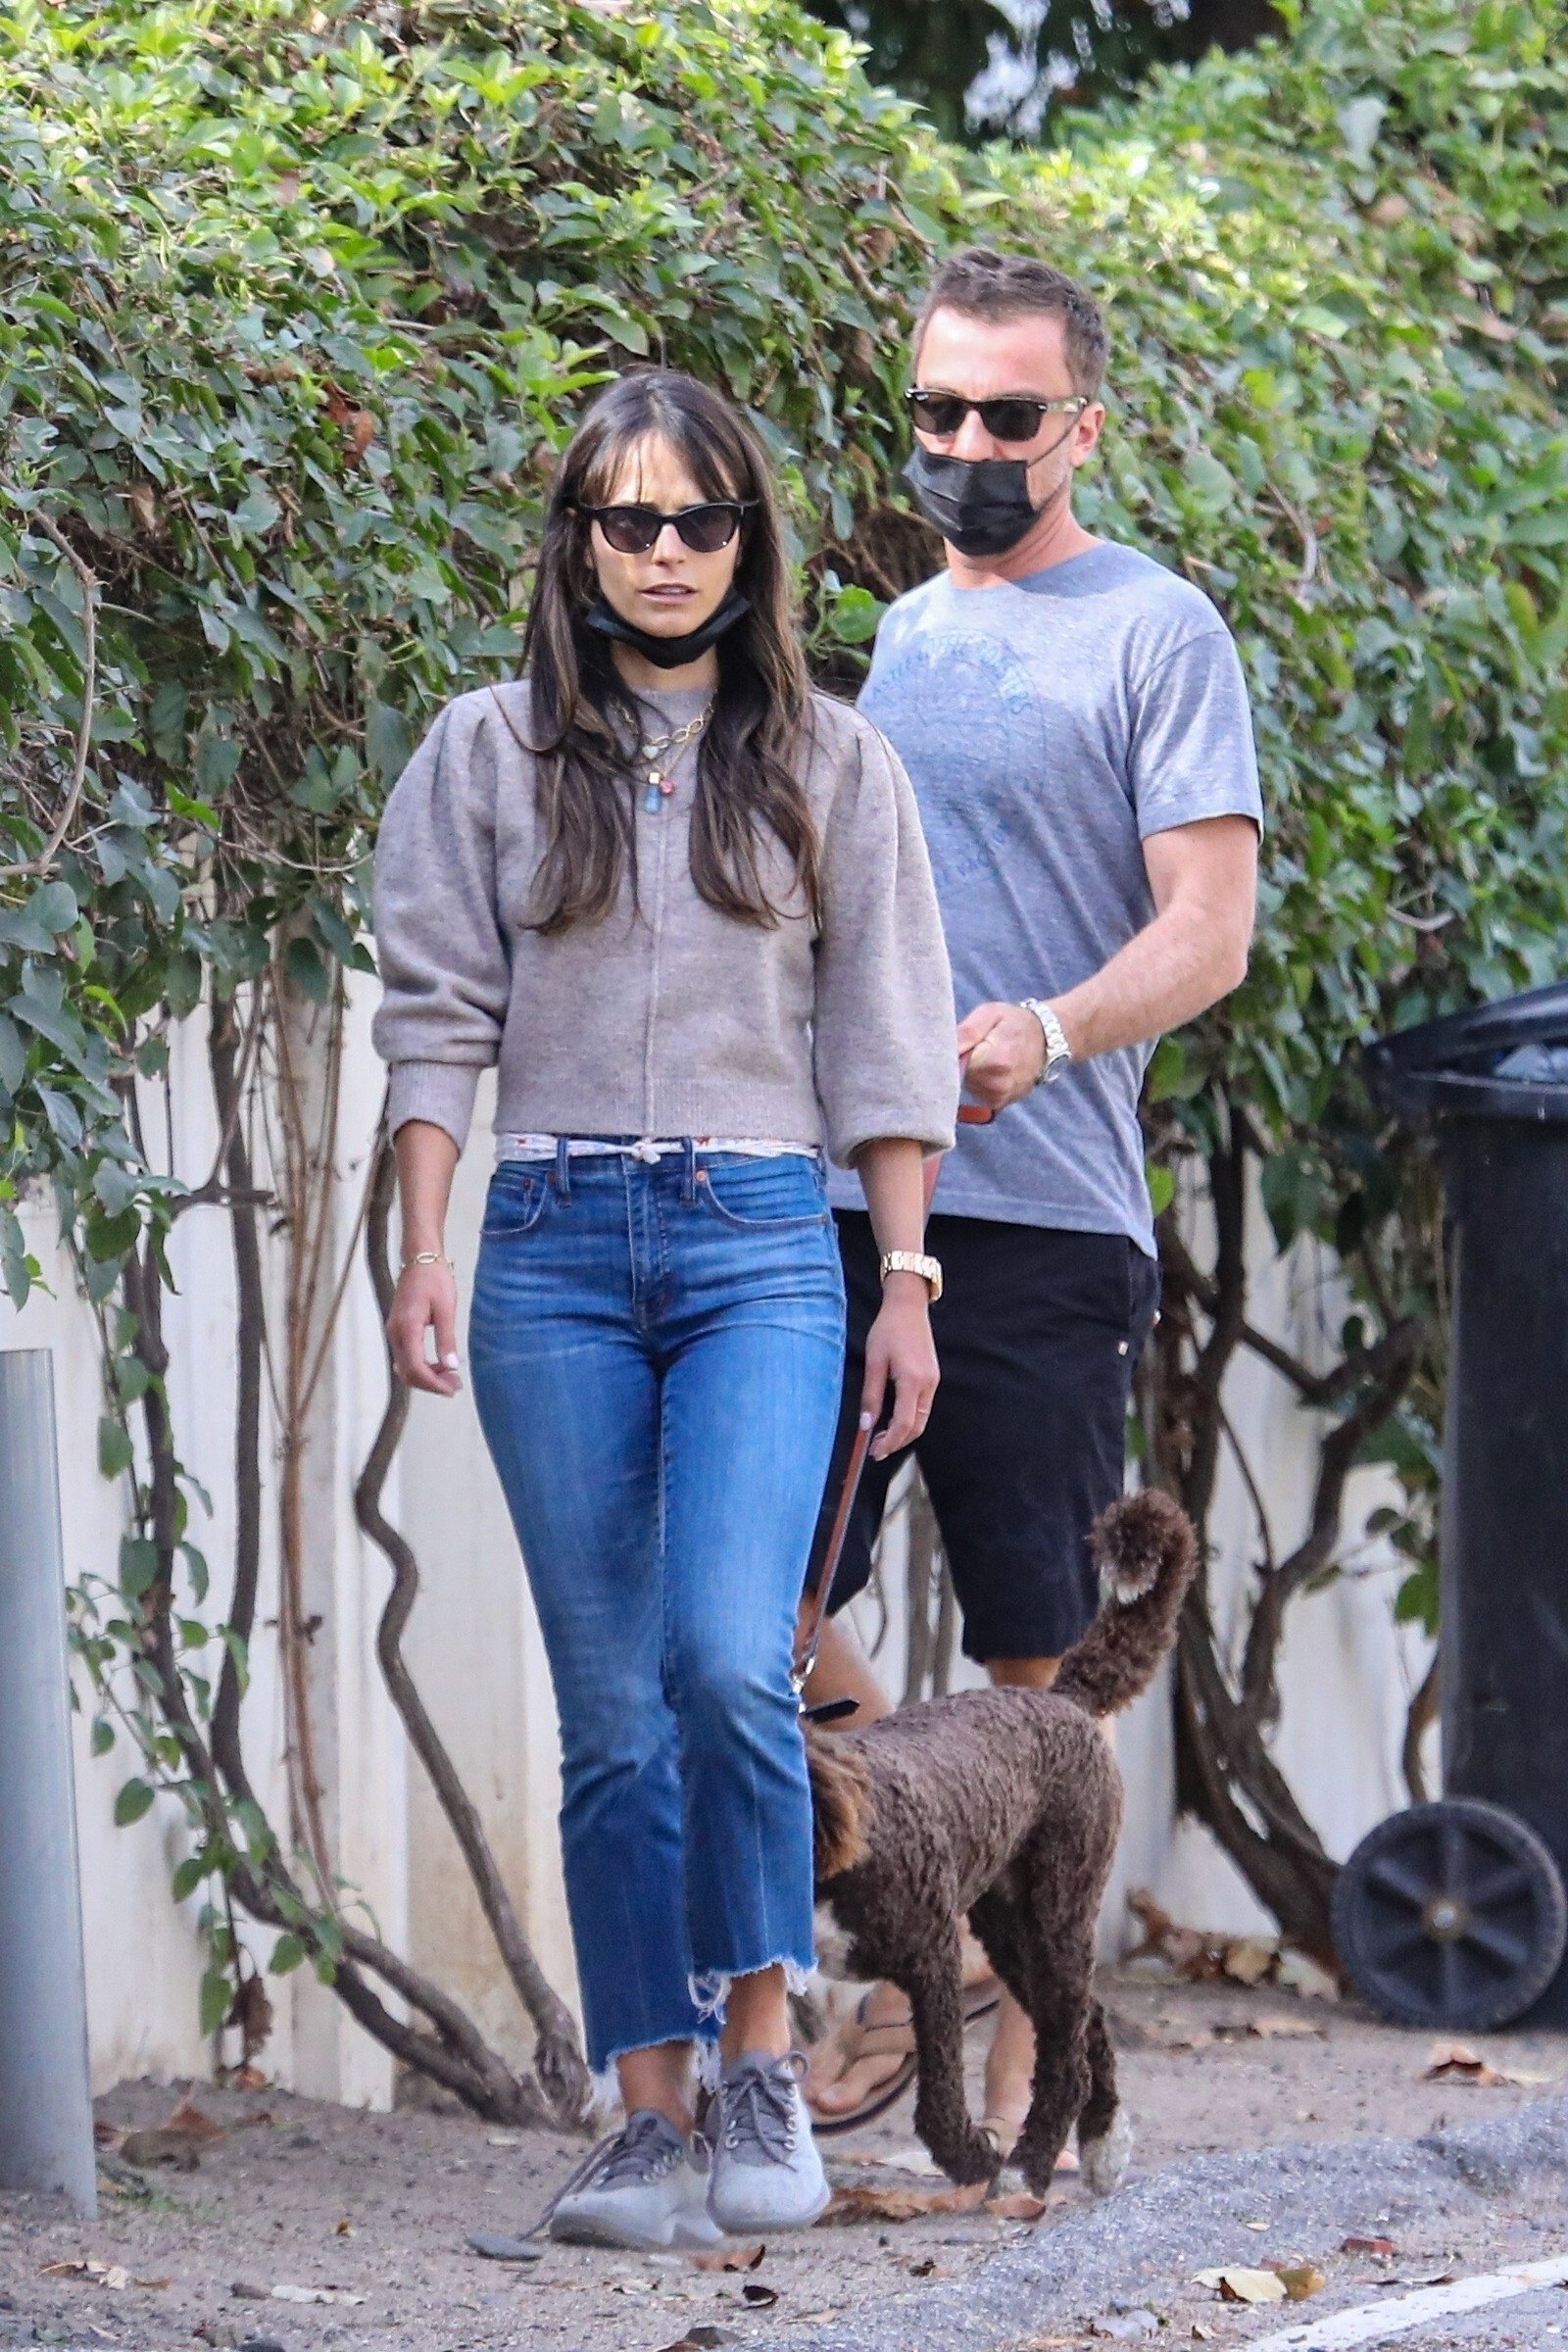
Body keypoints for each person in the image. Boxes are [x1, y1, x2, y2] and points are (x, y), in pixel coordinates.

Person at [371, 369, 956, 2251]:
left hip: (760, 1245)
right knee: (614, 1708)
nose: (668, 552)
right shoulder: (483, 753)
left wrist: (908, 1280)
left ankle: (761, 2063)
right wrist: (424, 1248)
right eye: (630, 520)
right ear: (579, 544)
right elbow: (435, 1020)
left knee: (726, 1654)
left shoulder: (833, 763)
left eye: (703, 519)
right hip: (546, 1245)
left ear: (750, 541)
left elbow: (885, 1045)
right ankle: (645, 2111)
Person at [801, 248, 1262, 2149]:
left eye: (1008, 415)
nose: (969, 446)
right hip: (851, 1204)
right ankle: (932, 1877)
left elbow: (1211, 931)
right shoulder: (899, 638)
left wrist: (1054, 1030)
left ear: (1083, 425)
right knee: (757, 1603)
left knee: (1037, 1661)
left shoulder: (1157, 631)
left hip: (1050, 1219)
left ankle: (1024, 2110)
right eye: (939, 411)